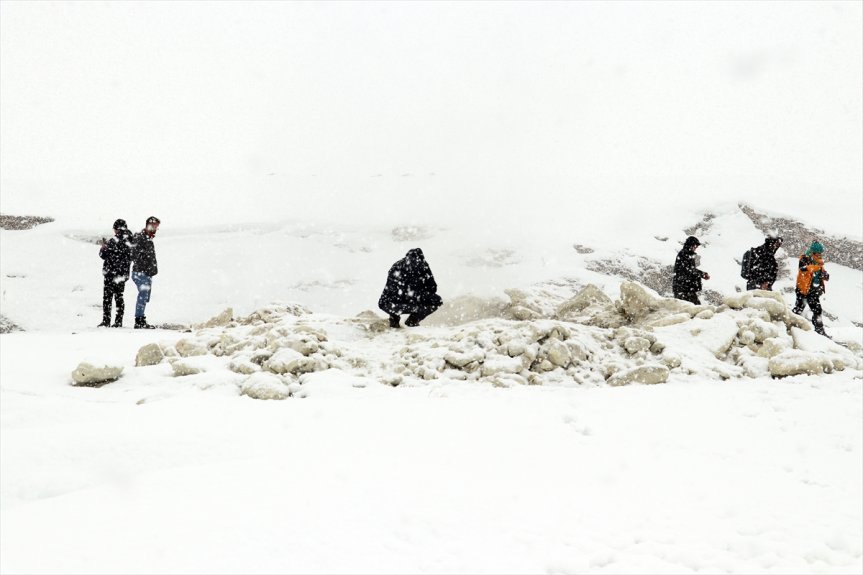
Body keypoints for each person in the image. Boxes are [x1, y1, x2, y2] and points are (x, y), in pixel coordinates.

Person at [378, 248, 442, 327]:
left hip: (386, 304)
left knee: (393, 296)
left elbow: (391, 288)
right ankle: (413, 320)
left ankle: (394, 319)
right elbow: (432, 287)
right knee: (437, 300)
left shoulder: (396, 264)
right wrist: (422, 292)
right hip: (409, 303)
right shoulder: (422, 264)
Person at [97, 219, 133, 327]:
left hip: (111, 274)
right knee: (119, 297)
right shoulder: (131, 240)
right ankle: (118, 321)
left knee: (108, 298)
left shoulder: (114, 241)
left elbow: (103, 255)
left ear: (117, 229)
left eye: (114, 229)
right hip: (122, 275)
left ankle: (106, 321)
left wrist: (103, 247)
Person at [792, 241, 830, 337]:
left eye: (821, 253)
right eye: (818, 253)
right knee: (799, 309)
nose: (820, 255)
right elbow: (803, 269)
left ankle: (820, 331)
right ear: (812, 252)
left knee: (817, 310)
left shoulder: (818, 262)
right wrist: (816, 267)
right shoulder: (804, 259)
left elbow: (822, 272)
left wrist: (825, 275)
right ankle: (791, 326)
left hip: (813, 291)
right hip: (803, 290)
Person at [131, 216, 160, 329]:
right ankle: (139, 321)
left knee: (145, 296)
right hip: (140, 272)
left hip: (146, 272)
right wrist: (144, 264)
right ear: (148, 224)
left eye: (157, 226)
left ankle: (140, 319)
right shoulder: (140, 237)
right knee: (143, 295)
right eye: (154, 226)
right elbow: (134, 254)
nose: (156, 228)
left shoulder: (147, 239)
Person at [672, 236, 710, 304]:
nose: (696, 248)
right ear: (691, 245)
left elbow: (691, 270)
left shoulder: (688, 254)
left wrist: (702, 274)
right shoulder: (684, 254)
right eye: (695, 246)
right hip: (683, 288)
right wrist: (702, 274)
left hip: (687, 288)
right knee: (691, 308)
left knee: (695, 307)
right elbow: (688, 270)